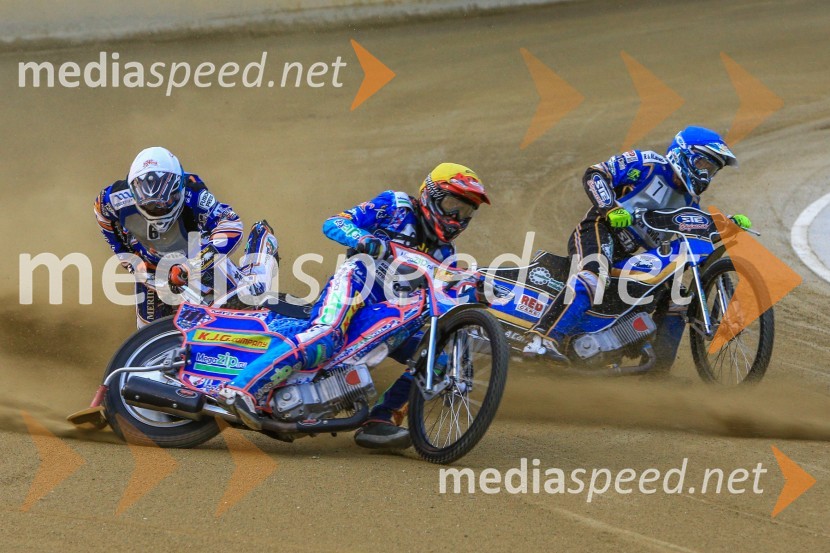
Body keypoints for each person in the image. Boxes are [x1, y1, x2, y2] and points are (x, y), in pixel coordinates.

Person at [217, 163, 490, 449]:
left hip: (392, 315)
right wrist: (365, 239)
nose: (457, 218)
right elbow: (335, 222)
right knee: (324, 337)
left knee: (437, 363)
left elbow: (441, 299)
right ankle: (242, 388)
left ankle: (379, 421)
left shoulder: (447, 254)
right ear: (430, 195)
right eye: (452, 205)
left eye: (466, 211)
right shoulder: (396, 207)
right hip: (358, 283)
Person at [524, 126, 752, 357]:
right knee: (593, 276)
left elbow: (694, 226)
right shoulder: (647, 163)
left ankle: (657, 373)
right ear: (684, 154)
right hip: (598, 230)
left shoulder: (689, 199)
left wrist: (725, 223)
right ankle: (542, 339)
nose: (706, 174)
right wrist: (610, 208)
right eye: (704, 164)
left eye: (712, 170)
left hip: (628, 253)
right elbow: (595, 174)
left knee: (678, 297)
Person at [94, 147, 244, 327]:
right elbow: (102, 214)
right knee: (147, 330)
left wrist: (194, 265)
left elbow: (230, 223)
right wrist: (128, 258)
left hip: (196, 258)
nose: (157, 208)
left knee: (241, 302)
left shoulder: (194, 193)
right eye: (149, 205)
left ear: (177, 189)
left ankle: (256, 272)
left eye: (164, 202)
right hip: (152, 269)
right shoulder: (113, 199)